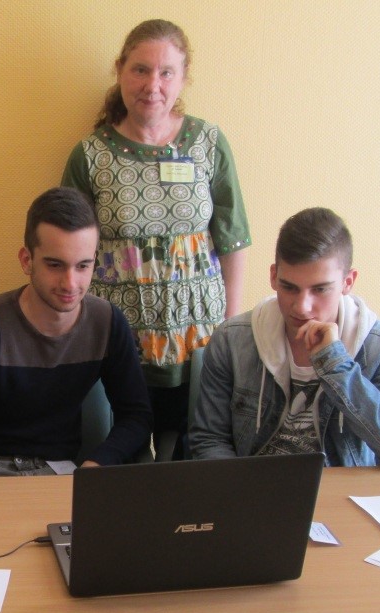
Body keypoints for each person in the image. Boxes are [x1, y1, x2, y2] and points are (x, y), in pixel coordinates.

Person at [61, 19, 251, 455]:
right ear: (120, 70)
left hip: (199, 340)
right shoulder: (90, 155)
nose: (153, 84)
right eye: (141, 69)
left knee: (191, 460)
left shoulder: (208, 143)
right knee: (123, 465)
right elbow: (70, 249)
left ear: (183, 78)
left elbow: (233, 240)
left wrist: (229, 329)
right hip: (121, 340)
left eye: (167, 72)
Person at [0, 187, 152, 531]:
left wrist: (96, 466)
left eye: (83, 266)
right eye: (55, 265)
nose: (71, 283)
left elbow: (136, 416)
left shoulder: (107, 322)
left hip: (59, 473)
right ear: (27, 260)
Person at [189, 207, 380, 469]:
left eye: (320, 289)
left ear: (348, 282)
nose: (302, 307)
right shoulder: (231, 340)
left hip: (339, 496)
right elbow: (209, 440)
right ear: (273, 276)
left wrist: (336, 365)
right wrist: (241, 495)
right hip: (253, 490)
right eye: (289, 287)